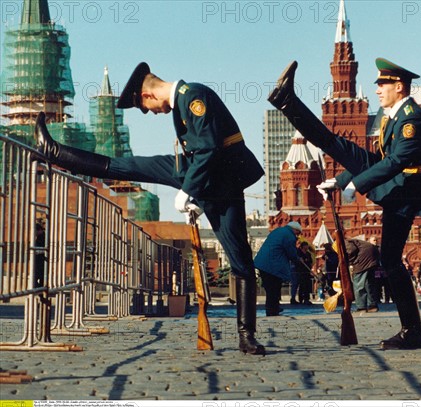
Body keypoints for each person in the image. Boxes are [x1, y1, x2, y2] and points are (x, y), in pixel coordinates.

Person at [35, 63, 266, 355]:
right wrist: (192, 190)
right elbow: (201, 152)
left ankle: (247, 336)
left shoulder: (192, 96)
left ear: (147, 94)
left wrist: (189, 191)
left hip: (222, 183)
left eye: (145, 108)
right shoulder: (183, 101)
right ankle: (55, 151)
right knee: (130, 166)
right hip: (203, 176)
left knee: (241, 260)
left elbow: (208, 149)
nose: (152, 113)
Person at [268, 58, 421, 349]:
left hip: (405, 191)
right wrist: (339, 181)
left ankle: (413, 331)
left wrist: (357, 185)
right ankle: (287, 101)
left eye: (382, 84)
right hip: (397, 186)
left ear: (399, 86)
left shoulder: (412, 118)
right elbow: (376, 160)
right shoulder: (394, 117)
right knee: (333, 143)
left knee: (389, 260)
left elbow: (397, 161)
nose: (377, 90)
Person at [254, 222, 303, 316]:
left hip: (262, 263)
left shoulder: (278, 230)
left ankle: (273, 307)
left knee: (270, 289)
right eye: (298, 233)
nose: (297, 236)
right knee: (274, 288)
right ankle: (272, 309)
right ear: (295, 230)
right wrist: (298, 259)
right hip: (272, 265)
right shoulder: (289, 236)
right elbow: (291, 253)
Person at [345, 238, 381, 312]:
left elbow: (351, 250)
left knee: (358, 284)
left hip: (363, 260)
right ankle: (372, 306)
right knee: (369, 283)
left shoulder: (344, 242)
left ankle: (361, 307)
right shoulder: (355, 241)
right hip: (372, 258)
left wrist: (350, 261)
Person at [296, 240, 314, 305]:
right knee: (302, 285)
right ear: (302, 246)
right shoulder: (299, 253)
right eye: (305, 246)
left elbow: (311, 262)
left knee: (307, 286)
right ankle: (301, 299)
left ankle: (307, 299)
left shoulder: (308, 254)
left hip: (307, 271)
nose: (306, 247)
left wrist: (311, 267)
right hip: (301, 271)